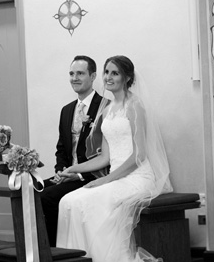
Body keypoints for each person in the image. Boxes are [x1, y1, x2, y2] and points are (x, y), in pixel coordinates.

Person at [56, 55, 173, 262]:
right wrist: (74, 169)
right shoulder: (108, 110)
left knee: (88, 204)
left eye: (115, 73)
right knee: (68, 201)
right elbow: (104, 157)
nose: (108, 77)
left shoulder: (135, 106)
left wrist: (106, 180)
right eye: (107, 72)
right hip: (117, 176)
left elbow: (139, 155)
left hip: (138, 177)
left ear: (127, 78)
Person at [40, 55, 107, 247]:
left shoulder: (105, 108)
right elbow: (62, 148)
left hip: (91, 176)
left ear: (93, 76)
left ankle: (53, 251)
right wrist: (61, 170)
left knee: (47, 198)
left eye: (80, 73)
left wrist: (77, 174)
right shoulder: (67, 110)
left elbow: (106, 155)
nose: (74, 78)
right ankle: (32, 249)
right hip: (67, 174)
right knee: (29, 191)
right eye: (71, 73)